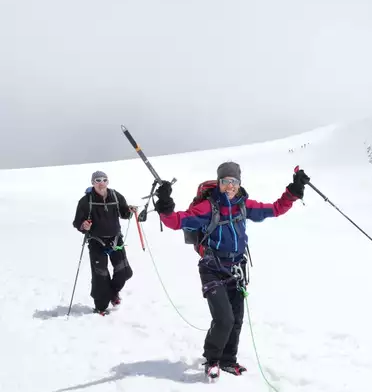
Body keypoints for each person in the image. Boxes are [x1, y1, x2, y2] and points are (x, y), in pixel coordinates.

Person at [152, 161, 309, 378]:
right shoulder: (209, 207)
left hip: (237, 269)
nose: (230, 186)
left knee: (235, 319)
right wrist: (165, 203)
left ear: (239, 183)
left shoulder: (244, 205)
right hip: (212, 268)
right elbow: (177, 221)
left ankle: (228, 360)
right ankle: (212, 359)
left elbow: (274, 209)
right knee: (224, 319)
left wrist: (293, 192)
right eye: (226, 181)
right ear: (219, 183)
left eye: (234, 182)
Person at [72, 171, 137, 315]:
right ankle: (100, 307)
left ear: (108, 182)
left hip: (115, 241)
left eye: (104, 180)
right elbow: (77, 222)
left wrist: (130, 210)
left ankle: (112, 293)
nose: (101, 183)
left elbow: (124, 213)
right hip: (97, 242)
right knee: (100, 276)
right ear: (93, 183)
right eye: (97, 180)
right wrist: (84, 226)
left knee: (124, 272)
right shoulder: (85, 200)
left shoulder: (115, 196)